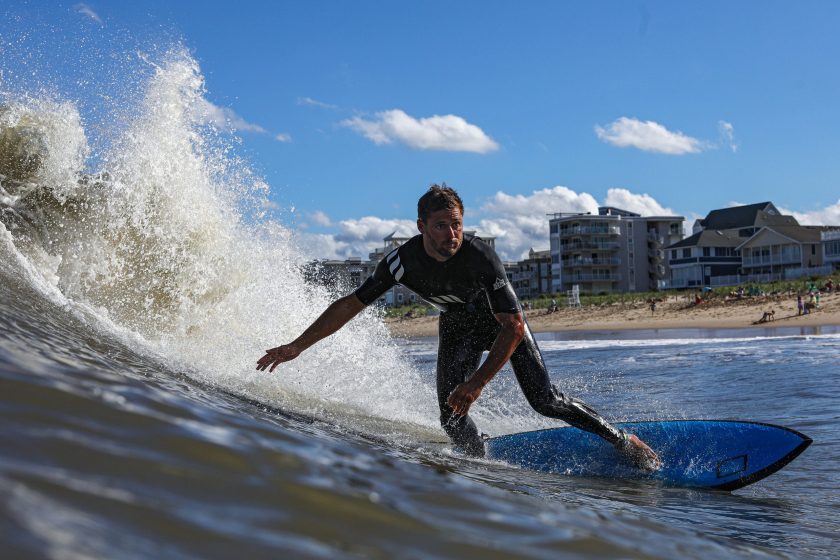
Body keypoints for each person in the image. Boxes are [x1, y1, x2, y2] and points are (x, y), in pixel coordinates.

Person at [256, 185, 660, 471]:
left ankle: (626, 442)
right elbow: (350, 304)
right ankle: (479, 464)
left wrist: (478, 383)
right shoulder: (400, 263)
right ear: (421, 226)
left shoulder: (480, 257)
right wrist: (297, 346)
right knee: (450, 415)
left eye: (457, 224)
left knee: (545, 400)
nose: (452, 235)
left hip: (503, 327)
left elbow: (514, 325)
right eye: (441, 226)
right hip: (457, 327)